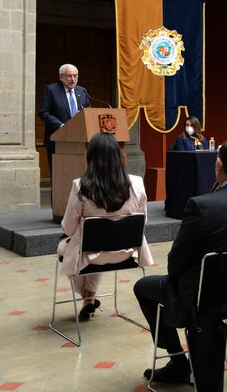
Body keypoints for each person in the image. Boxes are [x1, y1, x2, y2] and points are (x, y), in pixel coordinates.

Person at [133, 139, 227, 387]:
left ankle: (179, 363)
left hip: (206, 297)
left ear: (218, 164)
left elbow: (176, 262)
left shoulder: (201, 205)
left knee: (143, 287)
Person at [58, 132, 153, 320]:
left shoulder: (81, 186)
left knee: (66, 249)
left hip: (91, 257)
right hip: (128, 253)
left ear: (90, 157)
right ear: (119, 156)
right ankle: (90, 299)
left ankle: (86, 296)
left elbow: (68, 228)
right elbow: (143, 221)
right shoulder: (137, 183)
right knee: (95, 246)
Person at [38, 63, 92, 173]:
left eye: (75, 76)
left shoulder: (82, 91)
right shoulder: (51, 90)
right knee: (59, 172)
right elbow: (43, 113)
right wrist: (61, 126)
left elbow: (88, 112)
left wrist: (82, 115)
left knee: (77, 171)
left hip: (79, 139)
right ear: (61, 77)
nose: (73, 79)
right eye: (69, 76)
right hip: (57, 139)